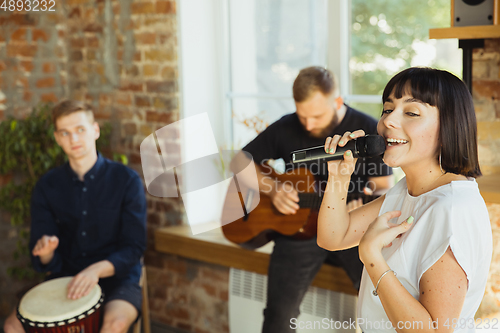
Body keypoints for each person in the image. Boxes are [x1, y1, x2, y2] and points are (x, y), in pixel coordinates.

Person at [317, 67, 492, 332]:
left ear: (449, 127)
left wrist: (371, 257)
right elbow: (333, 236)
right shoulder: (406, 191)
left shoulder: (452, 209)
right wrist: (339, 178)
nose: (388, 121)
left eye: (411, 112)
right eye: (387, 109)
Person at [230, 66, 393, 333]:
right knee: (277, 320)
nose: (307, 124)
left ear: (337, 101)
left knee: (380, 308)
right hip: (297, 235)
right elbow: (238, 162)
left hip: (350, 232)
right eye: (302, 115)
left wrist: (358, 202)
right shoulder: (287, 125)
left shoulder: (364, 129)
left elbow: (385, 185)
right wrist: (272, 188)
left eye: (316, 116)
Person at [3, 100, 147, 333]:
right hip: (65, 278)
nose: (74, 139)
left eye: (80, 130)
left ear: (95, 130)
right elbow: (43, 260)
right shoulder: (46, 186)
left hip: (116, 278)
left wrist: (95, 271)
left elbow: (134, 247)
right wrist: (47, 252)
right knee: (11, 327)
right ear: (57, 138)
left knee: (115, 325)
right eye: (65, 133)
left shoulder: (127, 180)